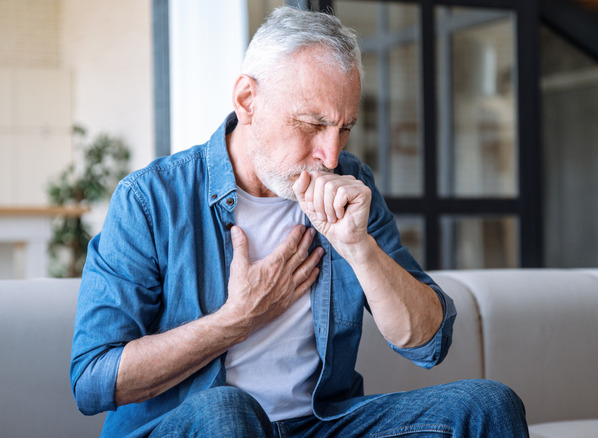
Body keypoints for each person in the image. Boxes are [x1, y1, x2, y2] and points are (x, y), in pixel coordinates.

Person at [70, 6, 528, 437]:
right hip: (199, 425)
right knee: (226, 410)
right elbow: (93, 380)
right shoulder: (151, 198)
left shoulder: (350, 183)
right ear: (248, 99)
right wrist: (235, 320)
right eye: (312, 125)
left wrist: (360, 249)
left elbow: (428, 342)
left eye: (344, 128)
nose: (330, 154)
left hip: (318, 424)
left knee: (489, 406)